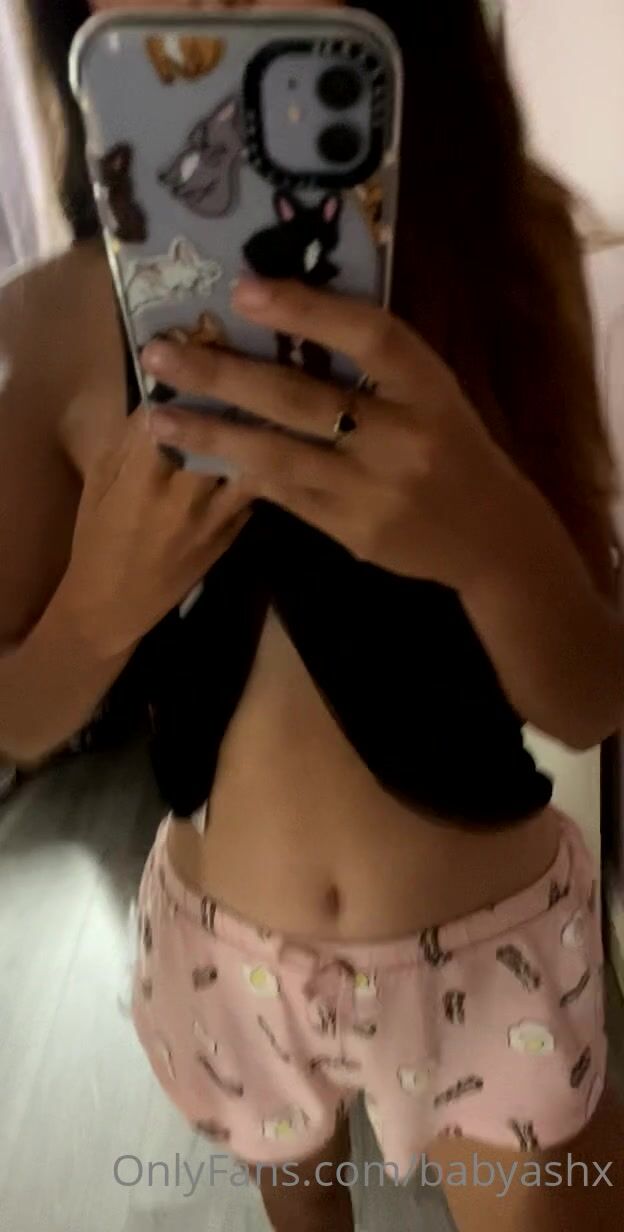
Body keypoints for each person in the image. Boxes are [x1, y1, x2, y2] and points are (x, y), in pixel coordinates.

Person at [1, 2, 623, 1229]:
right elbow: (16, 720)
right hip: (228, 957)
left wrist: (490, 540)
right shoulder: (54, 324)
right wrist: (98, 609)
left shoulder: (508, 246)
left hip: (492, 950)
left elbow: (592, 698)